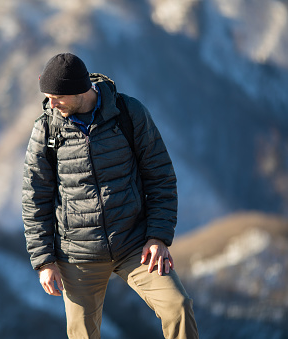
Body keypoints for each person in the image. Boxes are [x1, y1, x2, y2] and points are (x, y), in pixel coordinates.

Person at [22, 53, 199, 339]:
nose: (50, 104)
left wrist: (158, 236)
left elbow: (161, 177)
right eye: (47, 96)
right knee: (82, 334)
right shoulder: (46, 129)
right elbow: (35, 198)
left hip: (134, 244)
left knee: (178, 306)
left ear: (81, 90)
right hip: (78, 254)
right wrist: (45, 261)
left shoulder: (128, 113)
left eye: (56, 97)